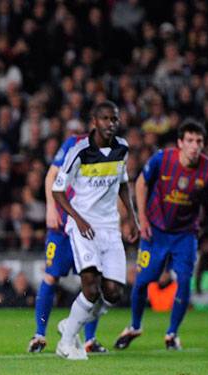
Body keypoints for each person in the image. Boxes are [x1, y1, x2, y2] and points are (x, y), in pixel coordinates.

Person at [115, 119, 208, 351]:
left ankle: (172, 334)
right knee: (143, 280)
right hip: (155, 231)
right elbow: (142, 183)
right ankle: (135, 326)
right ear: (180, 143)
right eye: (190, 141)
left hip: (185, 234)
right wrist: (142, 219)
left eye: (199, 141)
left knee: (184, 280)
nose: (195, 146)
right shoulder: (162, 159)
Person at [52, 100, 138, 360]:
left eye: (114, 119)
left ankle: (71, 323)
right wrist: (77, 219)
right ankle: (66, 343)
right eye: (105, 119)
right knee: (90, 287)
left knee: (113, 293)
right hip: (84, 226)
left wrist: (132, 218)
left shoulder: (122, 148)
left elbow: (123, 183)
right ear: (94, 122)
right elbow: (58, 190)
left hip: (110, 227)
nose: (110, 124)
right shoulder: (80, 151)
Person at [28, 134, 105, 354]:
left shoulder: (112, 152)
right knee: (51, 276)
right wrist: (51, 208)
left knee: (92, 279)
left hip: (87, 226)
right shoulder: (73, 143)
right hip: (61, 226)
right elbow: (51, 175)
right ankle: (39, 334)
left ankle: (90, 340)